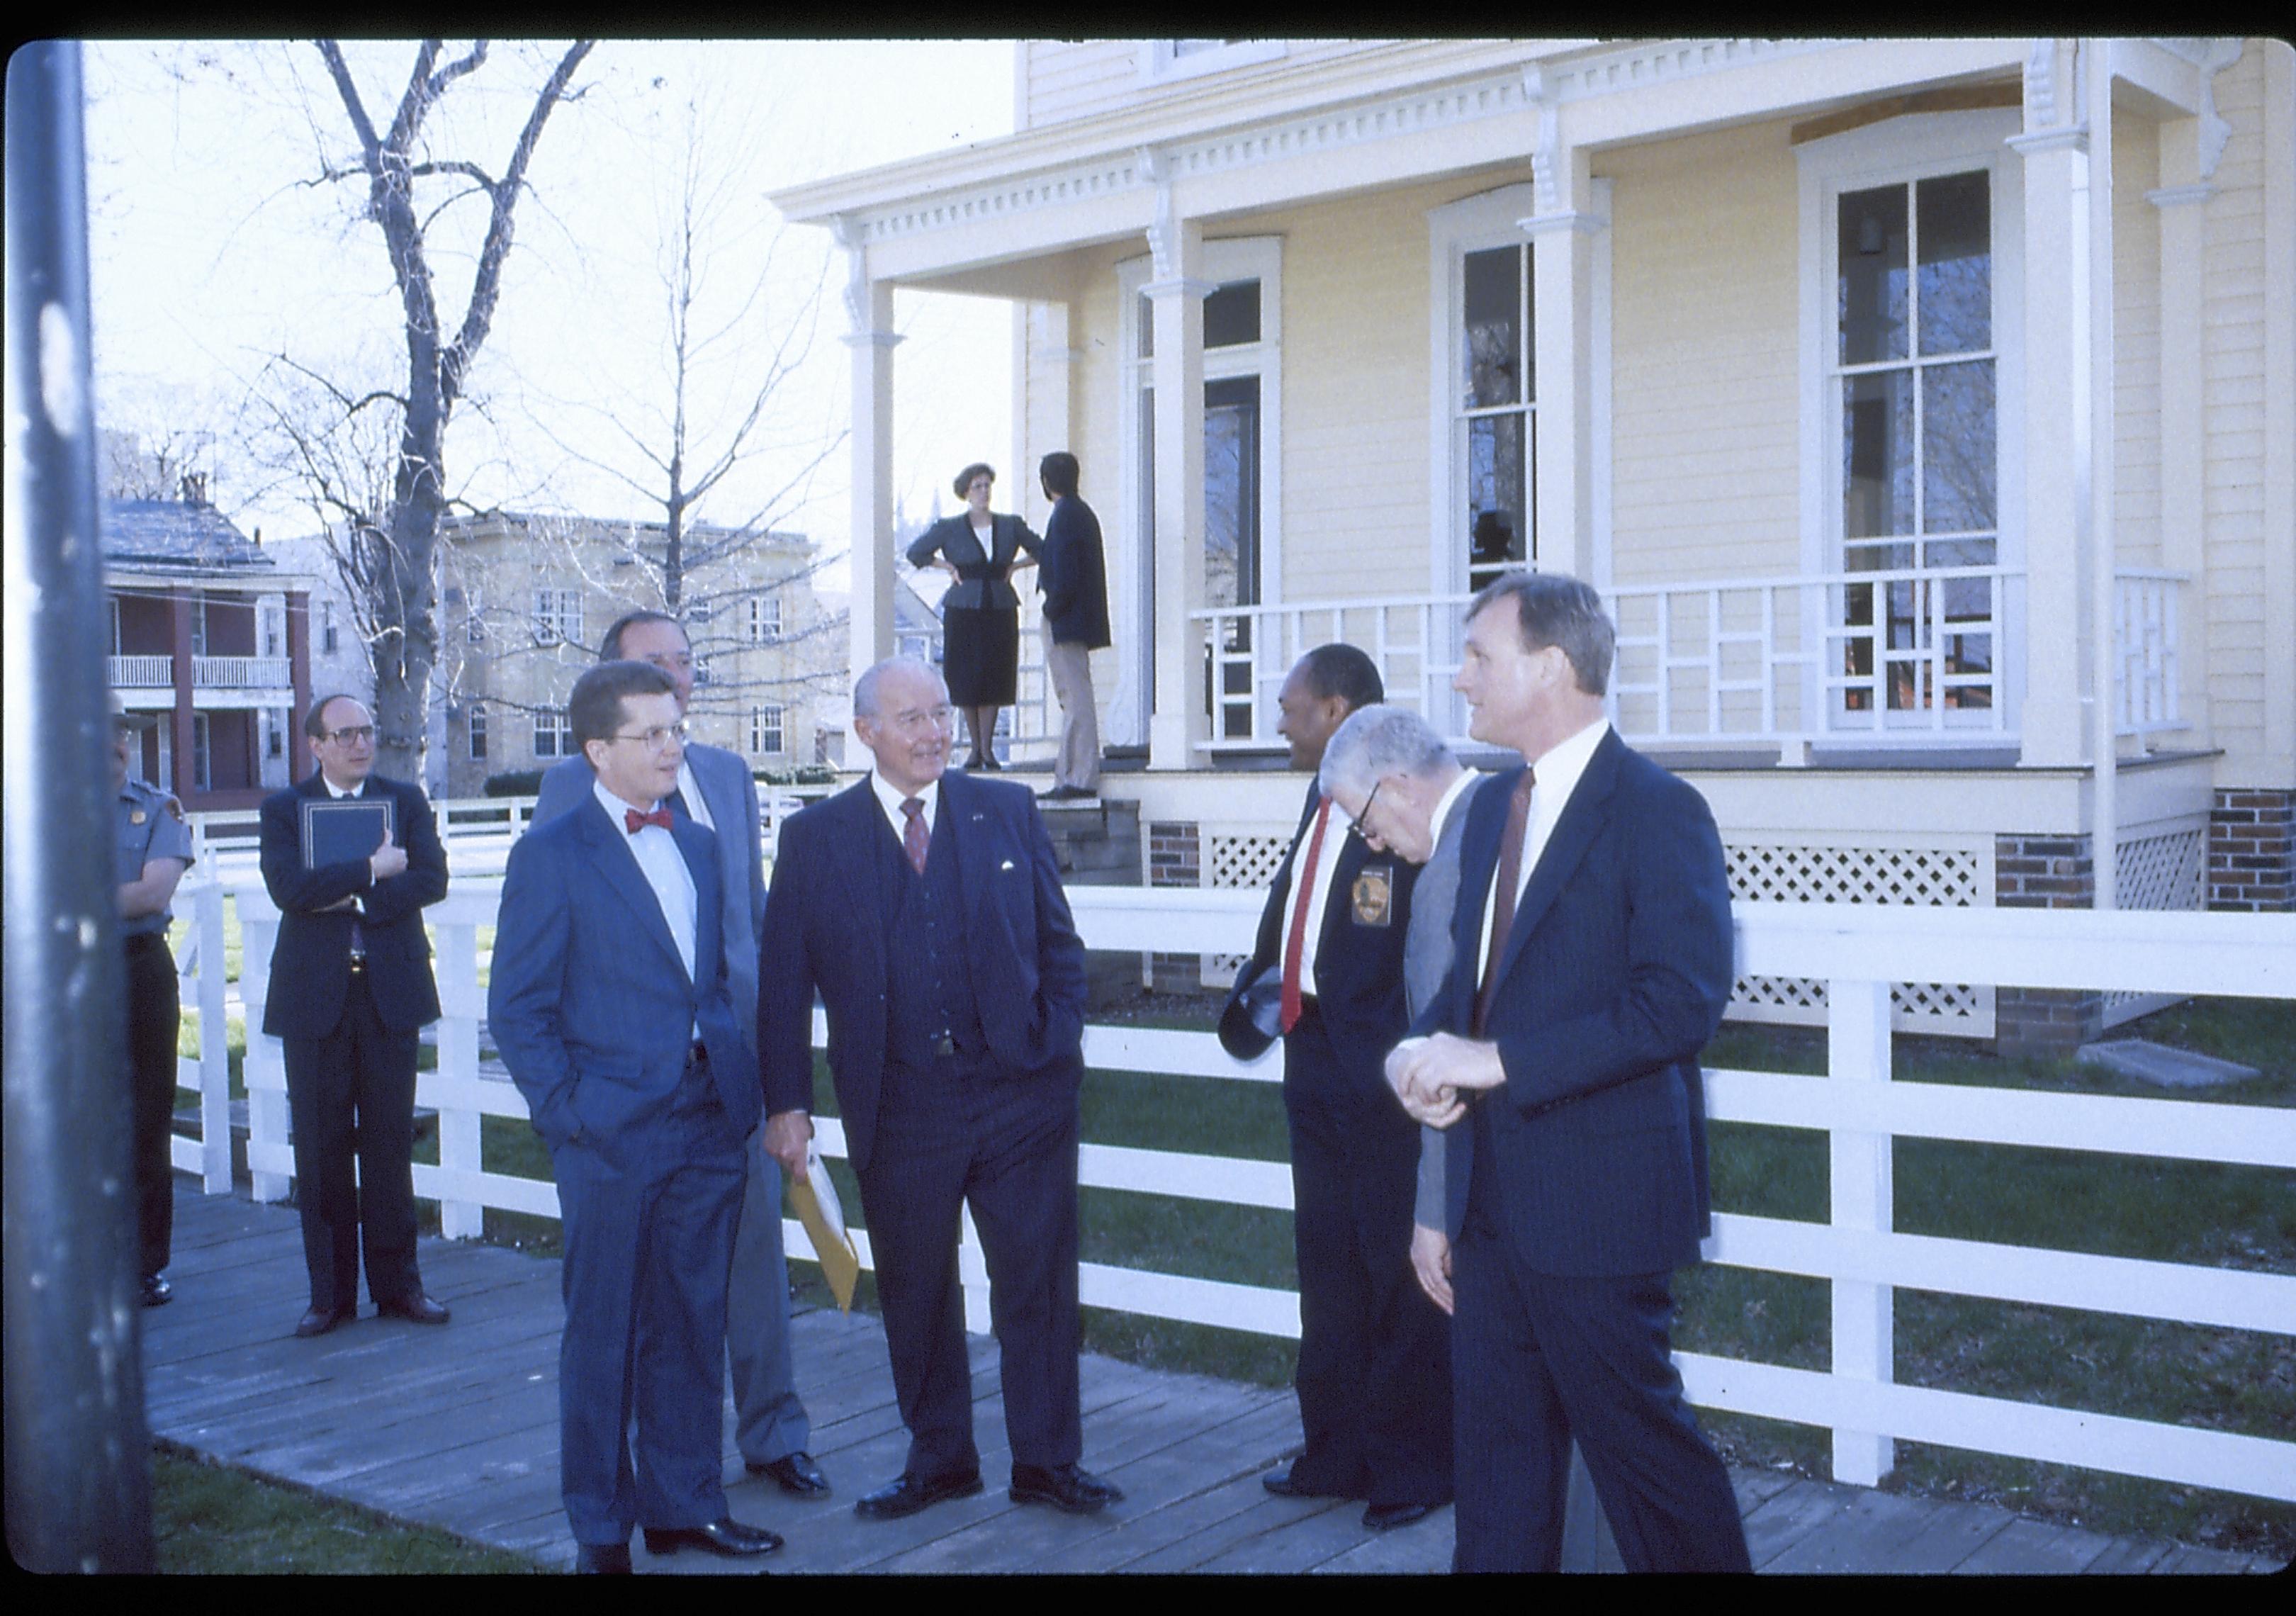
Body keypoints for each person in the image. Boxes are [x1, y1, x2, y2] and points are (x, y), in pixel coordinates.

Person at [1387, 573, 1750, 1573]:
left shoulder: (1658, 810)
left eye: (1478, 658)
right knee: (1498, 1483)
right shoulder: (1494, 804)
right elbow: (1469, 988)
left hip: (1599, 1208)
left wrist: (1495, 1061)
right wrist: (1418, 1057)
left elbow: (1677, 1002)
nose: (1458, 681)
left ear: (1549, 666)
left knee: (1649, 1473)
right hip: (1488, 1209)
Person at [757, 656, 1122, 1522]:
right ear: (867, 733)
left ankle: (1046, 1462)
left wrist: (1055, 1042)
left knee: (1036, 1285)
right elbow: (780, 985)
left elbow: (1060, 944)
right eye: (911, 718)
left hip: (1020, 1097)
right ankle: (942, 1459)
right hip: (900, 1103)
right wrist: (787, 1104)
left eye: (941, 713)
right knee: (917, 1290)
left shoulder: (1006, 810)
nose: (932, 733)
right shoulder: (817, 840)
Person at [490, 660, 783, 1573]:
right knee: (604, 1332)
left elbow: (713, 983)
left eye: (675, 728)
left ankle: (684, 1504)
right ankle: (601, 1528)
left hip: (707, 1121)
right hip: (609, 1135)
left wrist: (737, 1082)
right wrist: (570, 1117)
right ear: (597, 752)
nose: (672, 745)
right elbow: (519, 1009)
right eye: (650, 734)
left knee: (692, 1321)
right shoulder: (551, 853)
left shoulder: (696, 840)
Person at [532, 610, 828, 1503]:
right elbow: (553, 954)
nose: (679, 678)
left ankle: (772, 1436)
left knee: (747, 1266)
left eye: (686, 665)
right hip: (626, 1097)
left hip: (729, 1078)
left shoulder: (727, 781)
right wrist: (572, 1110)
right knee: (627, 1300)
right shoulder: (566, 794)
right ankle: (621, 1488)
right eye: (655, 667)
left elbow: (757, 931)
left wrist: (782, 1080)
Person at [1320, 702, 1621, 1571]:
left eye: (1364, 818)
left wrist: (1431, 1217)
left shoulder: (1457, 869)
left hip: (1504, 1191)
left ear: (1398, 786)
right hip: (1567, 1178)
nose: (1371, 843)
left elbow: (1449, 1071)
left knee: (1516, 1435)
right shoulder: (1516, 824)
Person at [1217, 647, 1451, 1532]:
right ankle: (1337, 1450)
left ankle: (1415, 1463)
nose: (1278, 722)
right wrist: (1259, 992)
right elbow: (1295, 915)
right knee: (1329, 1264)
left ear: (1340, 710)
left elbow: (1428, 960)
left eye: (1291, 707)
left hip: (1383, 1079)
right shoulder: (1318, 803)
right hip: (1310, 1063)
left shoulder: (1399, 817)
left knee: (1399, 1267)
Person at [258, 695, 450, 1338]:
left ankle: (400, 1289)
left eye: (366, 732)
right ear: (314, 744)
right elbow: (290, 890)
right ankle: (330, 1297)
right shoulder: (284, 811)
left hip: (389, 994)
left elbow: (431, 878)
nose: (359, 744)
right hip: (315, 1000)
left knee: (390, 1145)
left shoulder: (405, 801)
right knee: (321, 1149)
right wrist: (370, 869)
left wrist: (353, 897)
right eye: (344, 735)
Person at [113, 708, 195, 1309]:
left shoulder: (157, 809)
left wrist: (61, 893)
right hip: (64, 974)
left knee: (147, 1116)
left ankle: (144, 1265)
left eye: (123, 732)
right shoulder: (40, 808)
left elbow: (152, 893)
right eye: (103, 729)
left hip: (139, 971)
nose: (116, 743)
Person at [906, 462, 1040, 771]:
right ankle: (975, 749)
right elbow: (916, 553)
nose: (984, 492)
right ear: (966, 492)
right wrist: (947, 567)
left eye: (987, 486)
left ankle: (988, 749)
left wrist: (1016, 567)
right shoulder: (950, 527)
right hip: (964, 607)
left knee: (995, 672)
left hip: (999, 605)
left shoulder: (1009, 525)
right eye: (978, 486)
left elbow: (1042, 548)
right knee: (967, 675)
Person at [1034, 450, 1108, 801]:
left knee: (1074, 697)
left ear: (1047, 482)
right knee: (1074, 696)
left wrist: (1052, 607)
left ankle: (1079, 778)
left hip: (1066, 620)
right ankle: (1070, 774)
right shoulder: (1081, 513)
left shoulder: (1065, 516)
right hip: (1077, 618)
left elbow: (1065, 575)